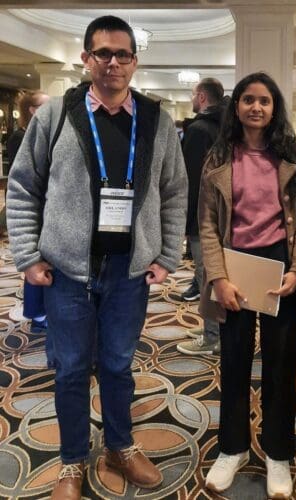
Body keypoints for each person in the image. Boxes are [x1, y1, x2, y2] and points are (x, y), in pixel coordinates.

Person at [7, 15, 187, 500]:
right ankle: (71, 460)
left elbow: (174, 192)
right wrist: (27, 255)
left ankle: (120, 446)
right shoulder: (56, 115)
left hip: (129, 271)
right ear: (86, 59)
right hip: (67, 271)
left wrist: (168, 254)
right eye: (102, 53)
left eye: (122, 54)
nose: (112, 62)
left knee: (118, 364)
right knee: (68, 368)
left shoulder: (156, 119)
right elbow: (24, 187)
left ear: (134, 61)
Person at [198, 72, 296, 499]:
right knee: (233, 362)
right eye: (248, 100)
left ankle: (278, 453)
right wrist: (218, 278)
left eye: (264, 101)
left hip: (280, 270)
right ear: (236, 107)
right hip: (233, 269)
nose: (256, 108)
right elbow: (207, 226)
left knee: (281, 366)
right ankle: (232, 448)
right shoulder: (218, 156)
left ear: (274, 107)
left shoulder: (292, 154)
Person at [177, 77, 225, 355]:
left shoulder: (198, 130)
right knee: (214, 272)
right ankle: (213, 326)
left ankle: (212, 336)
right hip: (222, 211)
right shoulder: (226, 124)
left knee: (206, 274)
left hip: (202, 212)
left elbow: (191, 179)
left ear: (203, 97)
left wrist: (186, 221)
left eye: (194, 95)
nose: (192, 100)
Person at [6, 91, 53, 362]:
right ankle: (37, 313)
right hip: (33, 208)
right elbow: (22, 181)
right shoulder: (20, 137)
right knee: (35, 264)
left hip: (45, 207)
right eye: (45, 107)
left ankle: (40, 312)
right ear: (33, 111)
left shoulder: (41, 135)